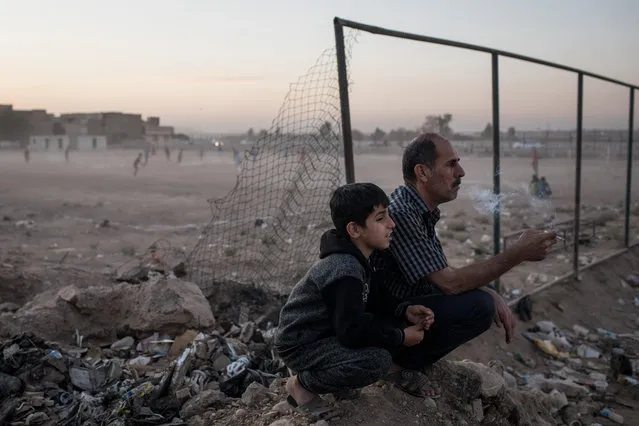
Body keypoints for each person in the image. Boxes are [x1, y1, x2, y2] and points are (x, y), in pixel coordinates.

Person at [370, 133, 557, 386]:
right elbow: (450, 283)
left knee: (483, 297)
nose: (461, 171)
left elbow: (439, 271)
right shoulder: (403, 214)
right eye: (450, 164)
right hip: (389, 316)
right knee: (478, 307)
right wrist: (518, 252)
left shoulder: (418, 210)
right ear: (422, 173)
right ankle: (395, 366)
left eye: (458, 162)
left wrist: (490, 290)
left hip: (403, 309)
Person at [275, 183, 436, 421]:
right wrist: (401, 337)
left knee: (379, 335)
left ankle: (330, 376)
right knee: (377, 362)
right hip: (302, 344)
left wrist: (405, 310)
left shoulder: (357, 259)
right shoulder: (344, 268)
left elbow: (374, 299)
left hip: (323, 335)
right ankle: (301, 386)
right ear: (354, 229)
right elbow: (351, 332)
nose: (392, 224)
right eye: (381, 218)